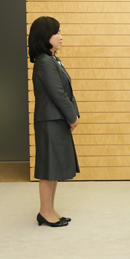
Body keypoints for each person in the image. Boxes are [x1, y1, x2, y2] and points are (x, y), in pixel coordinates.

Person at [29, 16, 80, 227]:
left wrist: (73, 114)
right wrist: (72, 116)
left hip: (55, 120)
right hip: (50, 121)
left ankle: (50, 210)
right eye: (56, 33)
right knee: (49, 169)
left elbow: (66, 91)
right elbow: (57, 93)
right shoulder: (44, 61)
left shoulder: (51, 59)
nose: (61, 37)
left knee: (54, 169)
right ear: (45, 37)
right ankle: (44, 213)